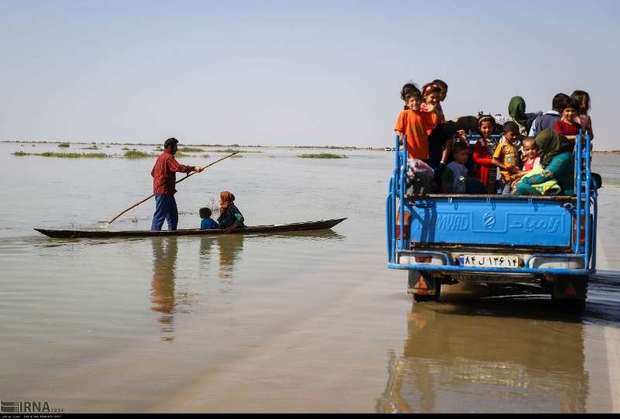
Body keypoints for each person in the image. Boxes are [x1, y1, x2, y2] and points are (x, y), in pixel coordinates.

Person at [150, 138, 203, 231]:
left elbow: (153, 173)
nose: (177, 149)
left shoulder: (161, 157)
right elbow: (178, 167)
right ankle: (154, 235)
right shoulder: (168, 157)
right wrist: (193, 168)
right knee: (160, 215)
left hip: (166, 191)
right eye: (175, 147)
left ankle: (172, 234)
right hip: (163, 191)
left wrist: (165, 179)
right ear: (170, 147)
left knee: (173, 216)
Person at [515, 129, 573, 196]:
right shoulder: (549, 155)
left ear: (549, 142)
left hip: (564, 193)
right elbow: (539, 170)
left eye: (542, 144)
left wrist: (524, 180)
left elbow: (544, 176)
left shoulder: (563, 157)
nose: (539, 147)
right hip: (552, 187)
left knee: (521, 186)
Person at [472, 115, 499, 193]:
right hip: (483, 171)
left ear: (493, 127)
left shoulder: (494, 141)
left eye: (489, 127)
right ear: (480, 128)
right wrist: (491, 161)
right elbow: (476, 158)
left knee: (492, 189)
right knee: (484, 190)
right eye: (484, 128)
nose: (487, 130)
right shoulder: (480, 142)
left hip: (494, 171)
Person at [493, 121, 520, 194]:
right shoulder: (502, 146)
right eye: (512, 134)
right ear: (505, 134)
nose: (514, 137)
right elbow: (494, 160)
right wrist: (505, 167)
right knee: (504, 197)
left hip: (513, 177)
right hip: (504, 177)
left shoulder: (514, 147)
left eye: (516, 134)